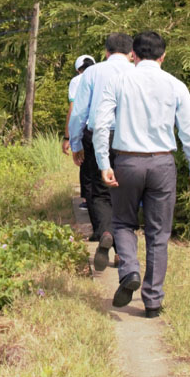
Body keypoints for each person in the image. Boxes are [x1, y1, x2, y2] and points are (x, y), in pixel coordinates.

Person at [92, 31, 190, 318]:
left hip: (127, 162)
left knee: (122, 222)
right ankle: (152, 301)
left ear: (134, 55)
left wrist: (104, 163)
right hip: (162, 165)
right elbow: (189, 133)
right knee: (158, 234)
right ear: (163, 56)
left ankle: (129, 269)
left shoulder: (119, 81)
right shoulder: (176, 85)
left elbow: (102, 125)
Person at [68, 32, 134, 271]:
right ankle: (122, 252)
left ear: (106, 52)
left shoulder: (93, 73)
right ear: (131, 53)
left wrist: (75, 143)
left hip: (98, 135)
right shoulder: (136, 72)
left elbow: (79, 112)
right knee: (125, 192)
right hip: (130, 139)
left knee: (100, 190)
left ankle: (106, 231)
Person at [63, 54, 95, 211]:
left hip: (85, 128)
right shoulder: (100, 76)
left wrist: (67, 136)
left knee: (85, 164)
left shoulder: (76, 81)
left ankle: (87, 200)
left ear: (78, 69)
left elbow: (73, 109)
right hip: (105, 127)